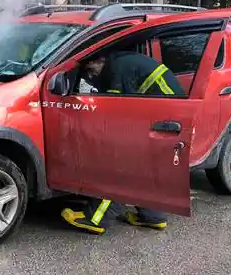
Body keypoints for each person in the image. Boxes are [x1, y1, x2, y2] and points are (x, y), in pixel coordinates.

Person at [60, 50, 183, 235]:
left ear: (99, 61)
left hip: (163, 115)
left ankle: (96, 219)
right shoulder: (122, 61)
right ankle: (152, 216)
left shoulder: (116, 67)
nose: (91, 76)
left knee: (119, 167)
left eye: (91, 70)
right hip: (169, 117)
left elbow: (116, 106)